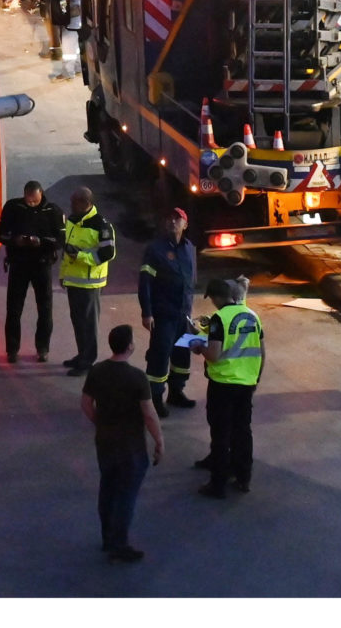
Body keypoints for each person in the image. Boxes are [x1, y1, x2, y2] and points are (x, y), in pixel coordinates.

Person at [81, 323, 162, 563]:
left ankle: (107, 537)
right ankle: (120, 544)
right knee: (126, 495)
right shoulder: (137, 377)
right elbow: (149, 413)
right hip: (131, 446)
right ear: (130, 346)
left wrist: (99, 422)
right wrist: (159, 440)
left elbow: (86, 404)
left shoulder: (97, 371)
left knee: (107, 488)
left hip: (105, 442)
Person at [196, 276, 263, 499]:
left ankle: (218, 484)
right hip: (246, 383)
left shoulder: (219, 319)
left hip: (223, 384)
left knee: (221, 433)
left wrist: (198, 345)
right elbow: (261, 351)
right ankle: (244, 477)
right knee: (243, 431)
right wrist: (255, 378)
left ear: (216, 298)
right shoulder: (252, 316)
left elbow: (214, 355)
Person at [136, 206, 198, 412]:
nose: (172, 222)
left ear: (185, 224)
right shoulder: (155, 250)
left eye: (177, 219)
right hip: (164, 314)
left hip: (184, 314)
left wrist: (191, 313)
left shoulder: (190, 248)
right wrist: (147, 312)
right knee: (160, 355)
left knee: (182, 355)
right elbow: (145, 283)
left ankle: (176, 392)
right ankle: (155, 398)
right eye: (169, 218)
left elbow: (190, 282)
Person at [0, 178, 64, 362]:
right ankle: (12, 349)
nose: (32, 203)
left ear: (41, 194)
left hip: (42, 264)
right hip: (19, 264)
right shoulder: (13, 207)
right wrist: (15, 240)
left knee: (45, 308)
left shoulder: (53, 211)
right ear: (24, 195)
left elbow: (60, 240)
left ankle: (42, 348)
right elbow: (0, 233)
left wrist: (40, 242)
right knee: (14, 309)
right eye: (29, 200)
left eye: (35, 200)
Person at [59, 185, 116, 373]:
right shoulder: (73, 221)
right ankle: (81, 354)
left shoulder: (101, 225)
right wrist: (63, 275)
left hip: (90, 284)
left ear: (86, 203)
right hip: (73, 281)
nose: (71, 205)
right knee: (78, 321)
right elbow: (67, 251)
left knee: (88, 324)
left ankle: (87, 361)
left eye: (74, 202)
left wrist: (81, 257)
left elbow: (107, 253)